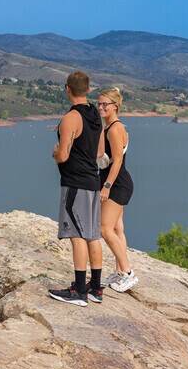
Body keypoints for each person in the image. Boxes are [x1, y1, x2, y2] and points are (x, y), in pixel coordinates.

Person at [48, 71, 104, 306]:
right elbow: (100, 153)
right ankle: (95, 288)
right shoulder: (94, 115)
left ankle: (80, 291)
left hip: (75, 184)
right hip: (93, 182)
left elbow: (63, 156)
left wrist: (55, 152)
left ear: (67, 89)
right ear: (88, 90)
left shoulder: (71, 117)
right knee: (92, 234)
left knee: (77, 235)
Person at [97, 88, 138, 292]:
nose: (101, 107)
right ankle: (120, 273)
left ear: (116, 106)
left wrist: (106, 187)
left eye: (105, 104)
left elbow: (118, 161)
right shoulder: (109, 127)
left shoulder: (114, 128)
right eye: (100, 103)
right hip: (116, 182)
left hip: (117, 184)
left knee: (105, 228)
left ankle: (128, 273)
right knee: (117, 229)